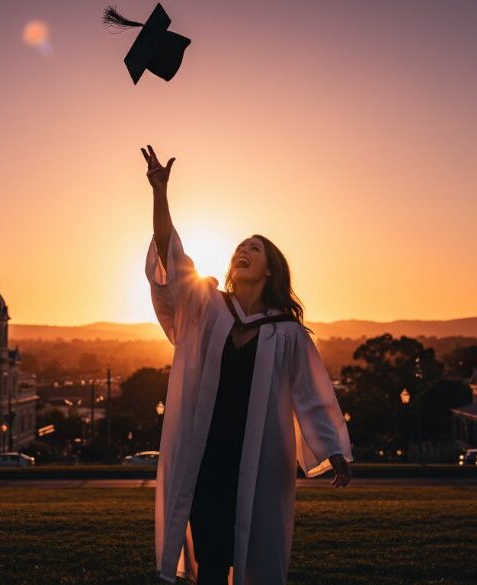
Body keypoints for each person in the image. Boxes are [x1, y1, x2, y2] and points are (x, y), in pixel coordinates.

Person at [142, 145, 353, 585]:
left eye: (254, 248)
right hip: (206, 455)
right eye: (240, 247)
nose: (244, 250)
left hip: (260, 459)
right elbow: (170, 255)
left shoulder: (288, 333)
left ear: (271, 269)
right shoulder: (207, 308)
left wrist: (334, 450)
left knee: (256, 553)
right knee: (213, 560)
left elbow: (311, 395)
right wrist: (160, 193)